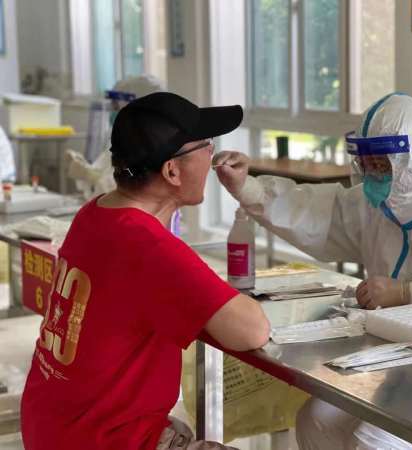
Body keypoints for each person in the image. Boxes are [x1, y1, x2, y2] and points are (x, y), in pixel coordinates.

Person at [212, 93, 412, 449]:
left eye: (382, 162)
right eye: (366, 161)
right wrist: (248, 188)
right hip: (403, 366)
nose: (372, 172)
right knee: (316, 419)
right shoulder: (380, 205)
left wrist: (407, 292)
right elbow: (321, 215)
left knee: (374, 441)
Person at [21, 92, 270, 450]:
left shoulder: (95, 213)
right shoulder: (146, 245)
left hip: (55, 428)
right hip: (106, 440)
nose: (212, 155)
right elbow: (252, 331)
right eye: (206, 146)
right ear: (172, 171)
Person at [67, 74, 166, 199]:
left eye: (116, 106)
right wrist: (85, 168)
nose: (113, 111)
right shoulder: (124, 137)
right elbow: (105, 172)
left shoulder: (156, 144)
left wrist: (91, 176)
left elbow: (131, 191)